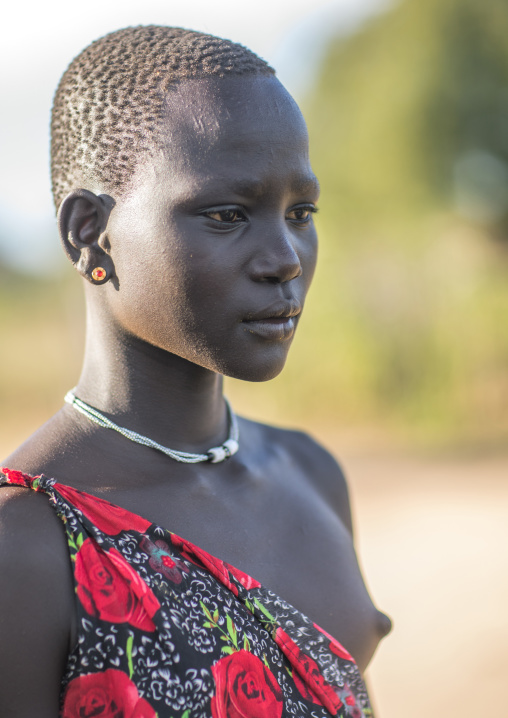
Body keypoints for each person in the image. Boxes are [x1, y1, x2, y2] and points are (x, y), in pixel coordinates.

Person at [0, 26, 391, 718]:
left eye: (301, 213)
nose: (286, 258)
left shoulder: (310, 473)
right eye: (227, 215)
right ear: (89, 231)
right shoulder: (26, 545)